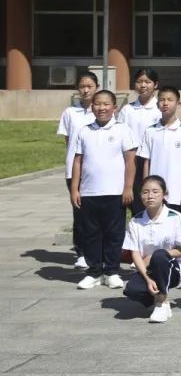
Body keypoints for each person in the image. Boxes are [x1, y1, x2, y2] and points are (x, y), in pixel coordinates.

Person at [71, 89, 137, 290]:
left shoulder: (122, 130)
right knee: (91, 233)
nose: (101, 108)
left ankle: (111, 271)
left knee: (113, 233)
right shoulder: (84, 131)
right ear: (92, 107)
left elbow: (130, 161)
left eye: (106, 104)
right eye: (97, 104)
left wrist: (128, 187)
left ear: (114, 107)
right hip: (89, 192)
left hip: (115, 192)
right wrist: (75, 189)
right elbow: (78, 161)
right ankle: (94, 272)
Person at [121, 175, 181, 323]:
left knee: (160, 256)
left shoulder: (175, 217)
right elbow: (135, 254)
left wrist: (153, 256)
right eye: (145, 192)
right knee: (132, 290)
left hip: (173, 268)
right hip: (147, 269)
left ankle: (161, 301)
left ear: (164, 194)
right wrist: (148, 279)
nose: (150, 196)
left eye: (155, 192)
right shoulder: (136, 221)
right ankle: (156, 301)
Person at [137, 85, 181, 227]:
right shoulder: (150, 131)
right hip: (156, 194)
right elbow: (146, 162)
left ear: (178, 104)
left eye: (170, 100)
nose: (165, 103)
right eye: (162, 100)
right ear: (157, 104)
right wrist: (146, 188)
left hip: (178, 194)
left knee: (180, 230)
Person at [57, 69, 99, 269]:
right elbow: (69, 141)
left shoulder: (102, 110)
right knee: (80, 212)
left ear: (97, 87)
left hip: (97, 169)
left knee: (97, 213)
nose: (86, 90)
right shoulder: (70, 112)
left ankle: (98, 251)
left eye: (89, 86)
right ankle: (81, 252)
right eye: (82, 86)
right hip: (74, 170)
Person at [118, 67, 161, 215]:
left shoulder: (160, 109)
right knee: (136, 200)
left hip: (154, 160)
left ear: (155, 85)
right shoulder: (127, 110)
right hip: (132, 161)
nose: (143, 85)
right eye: (139, 82)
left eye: (147, 82)